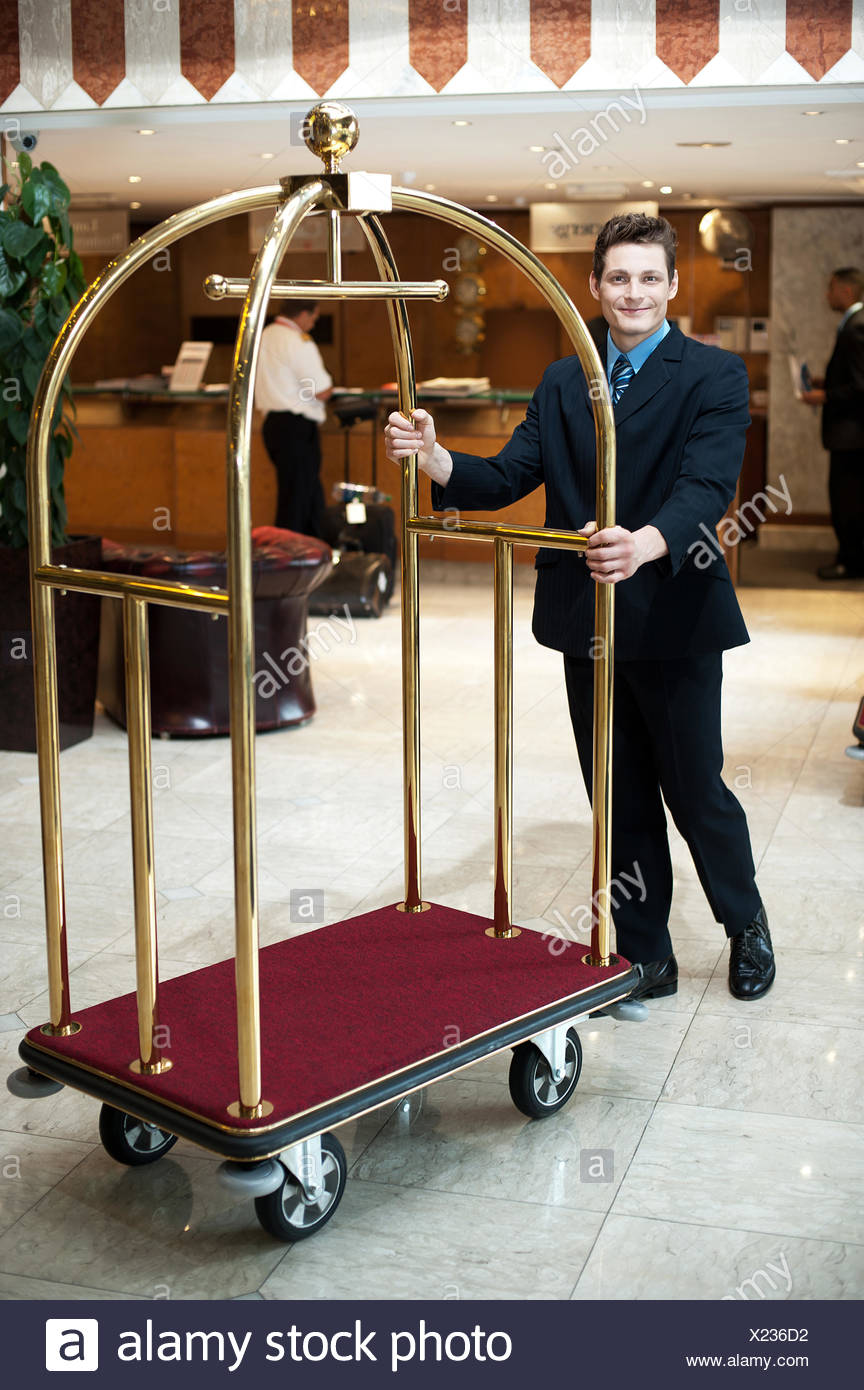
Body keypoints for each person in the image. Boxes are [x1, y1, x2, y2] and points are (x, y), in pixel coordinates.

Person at [385, 212, 775, 1002]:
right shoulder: (565, 379)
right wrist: (435, 455)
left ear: (671, 286)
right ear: (593, 286)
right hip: (584, 623)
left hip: (672, 613)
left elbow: (706, 488)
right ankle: (647, 954)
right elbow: (506, 477)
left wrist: (645, 543)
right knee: (618, 792)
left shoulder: (713, 375)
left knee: (695, 789)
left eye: (649, 277)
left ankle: (747, 925)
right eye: (618, 277)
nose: (633, 292)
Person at [800, 267, 864, 580]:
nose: (828, 295)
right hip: (851, 435)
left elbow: (860, 386)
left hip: (852, 435)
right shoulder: (852, 325)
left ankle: (850, 562)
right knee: (847, 498)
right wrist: (826, 382)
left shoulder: (856, 326)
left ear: (847, 292)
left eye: (832, 288)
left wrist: (824, 395)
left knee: (847, 500)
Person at [255, 299, 333, 538]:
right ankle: (290, 558)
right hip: (296, 427)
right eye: (313, 316)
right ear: (301, 314)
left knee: (305, 495)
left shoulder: (263, 334)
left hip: (273, 426)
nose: (313, 322)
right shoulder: (296, 341)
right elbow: (321, 389)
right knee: (297, 500)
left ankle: (315, 553)